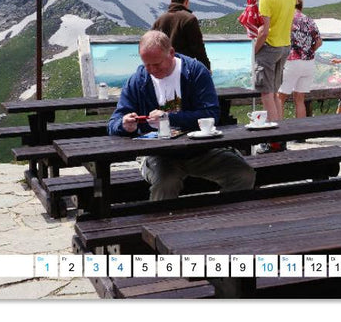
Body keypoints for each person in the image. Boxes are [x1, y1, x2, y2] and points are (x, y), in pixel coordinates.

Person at [107, 30, 255, 200]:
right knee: (165, 184)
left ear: (171, 53)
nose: (151, 70)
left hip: (200, 151)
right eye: (146, 64)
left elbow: (211, 113)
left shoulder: (195, 72)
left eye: (156, 64)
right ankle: (161, 225)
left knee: (244, 175)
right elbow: (114, 122)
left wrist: (169, 118)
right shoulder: (137, 81)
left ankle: (225, 220)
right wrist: (124, 124)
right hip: (159, 155)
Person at [252, 0, 296, 153]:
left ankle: (273, 140)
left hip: (269, 47)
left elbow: (264, 30)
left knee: (266, 93)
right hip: (285, 46)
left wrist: (253, 52)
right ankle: (281, 138)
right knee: (276, 91)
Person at [278, 0, 322, 119]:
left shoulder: (286, 19)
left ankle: (279, 135)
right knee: (300, 99)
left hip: (291, 61)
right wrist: (309, 51)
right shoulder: (309, 20)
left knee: (280, 98)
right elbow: (319, 42)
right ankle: (300, 134)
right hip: (308, 63)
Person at [151, 0, 211, 70]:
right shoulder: (189, 19)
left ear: (171, 1)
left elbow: (151, 45)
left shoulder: (159, 20)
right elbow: (198, 48)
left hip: (164, 69)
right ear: (186, 1)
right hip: (184, 68)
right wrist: (206, 67)